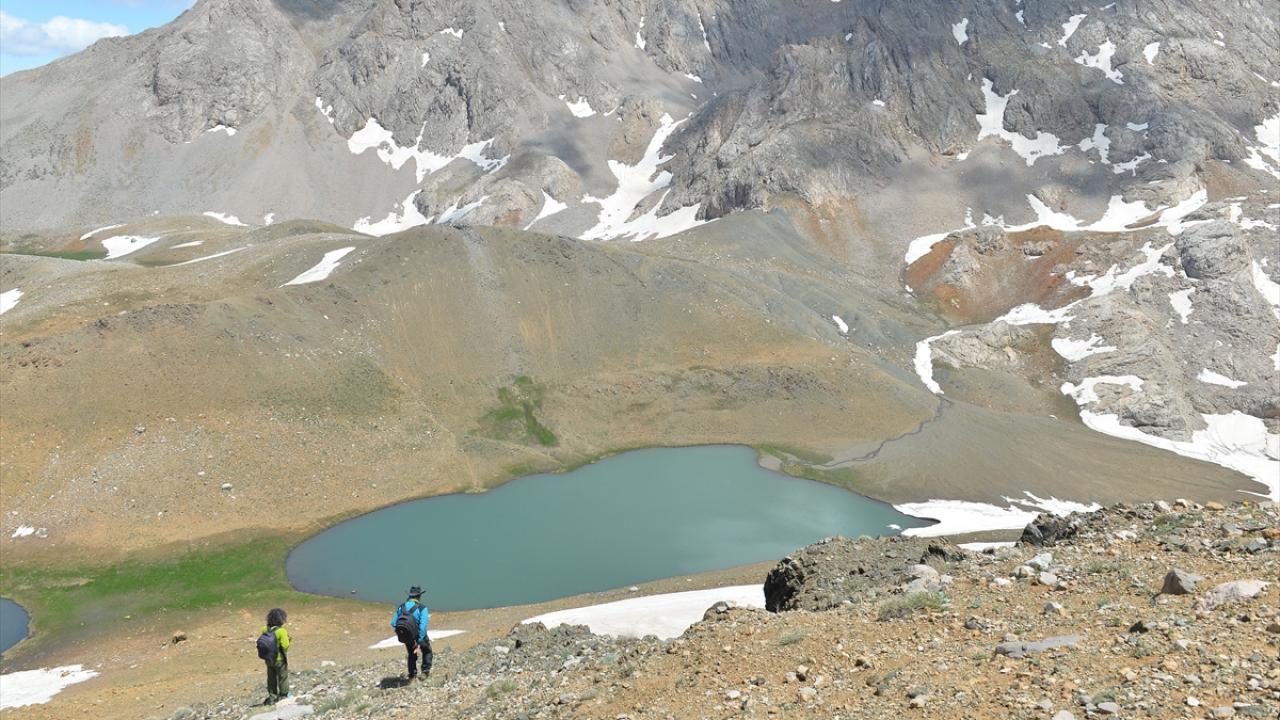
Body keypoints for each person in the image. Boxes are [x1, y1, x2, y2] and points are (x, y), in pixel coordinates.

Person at [391, 585, 432, 680]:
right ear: (419, 596)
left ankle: (412, 675)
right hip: (419, 636)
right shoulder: (422, 608)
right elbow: (422, 626)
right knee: (427, 651)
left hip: (407, 635)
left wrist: (404, 633)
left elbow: (393, 623)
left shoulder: (402, 607)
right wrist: (419, 641)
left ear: (409, 595)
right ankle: (425, 673)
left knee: (411, 654)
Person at [257, 607, 291, 704]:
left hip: (268, 659)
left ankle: (272, 696)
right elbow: (285, 645)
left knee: (271, 678)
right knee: (282, 677)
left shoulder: (264, 629)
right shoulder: (281, 631)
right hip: (279, 659)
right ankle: (284, 695)